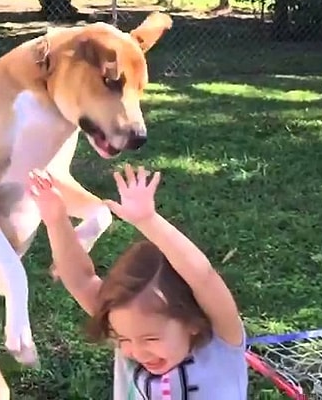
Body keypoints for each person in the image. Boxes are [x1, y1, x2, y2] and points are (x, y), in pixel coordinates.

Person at [27, 165, 248, 400]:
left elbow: (203, 278)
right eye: (122, 339)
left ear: (191, 321)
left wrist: (148, 221)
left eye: (151, 339)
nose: (137, 351)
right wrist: (56, 219)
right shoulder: (128, 326)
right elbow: (81, 280)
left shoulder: (221, 340)